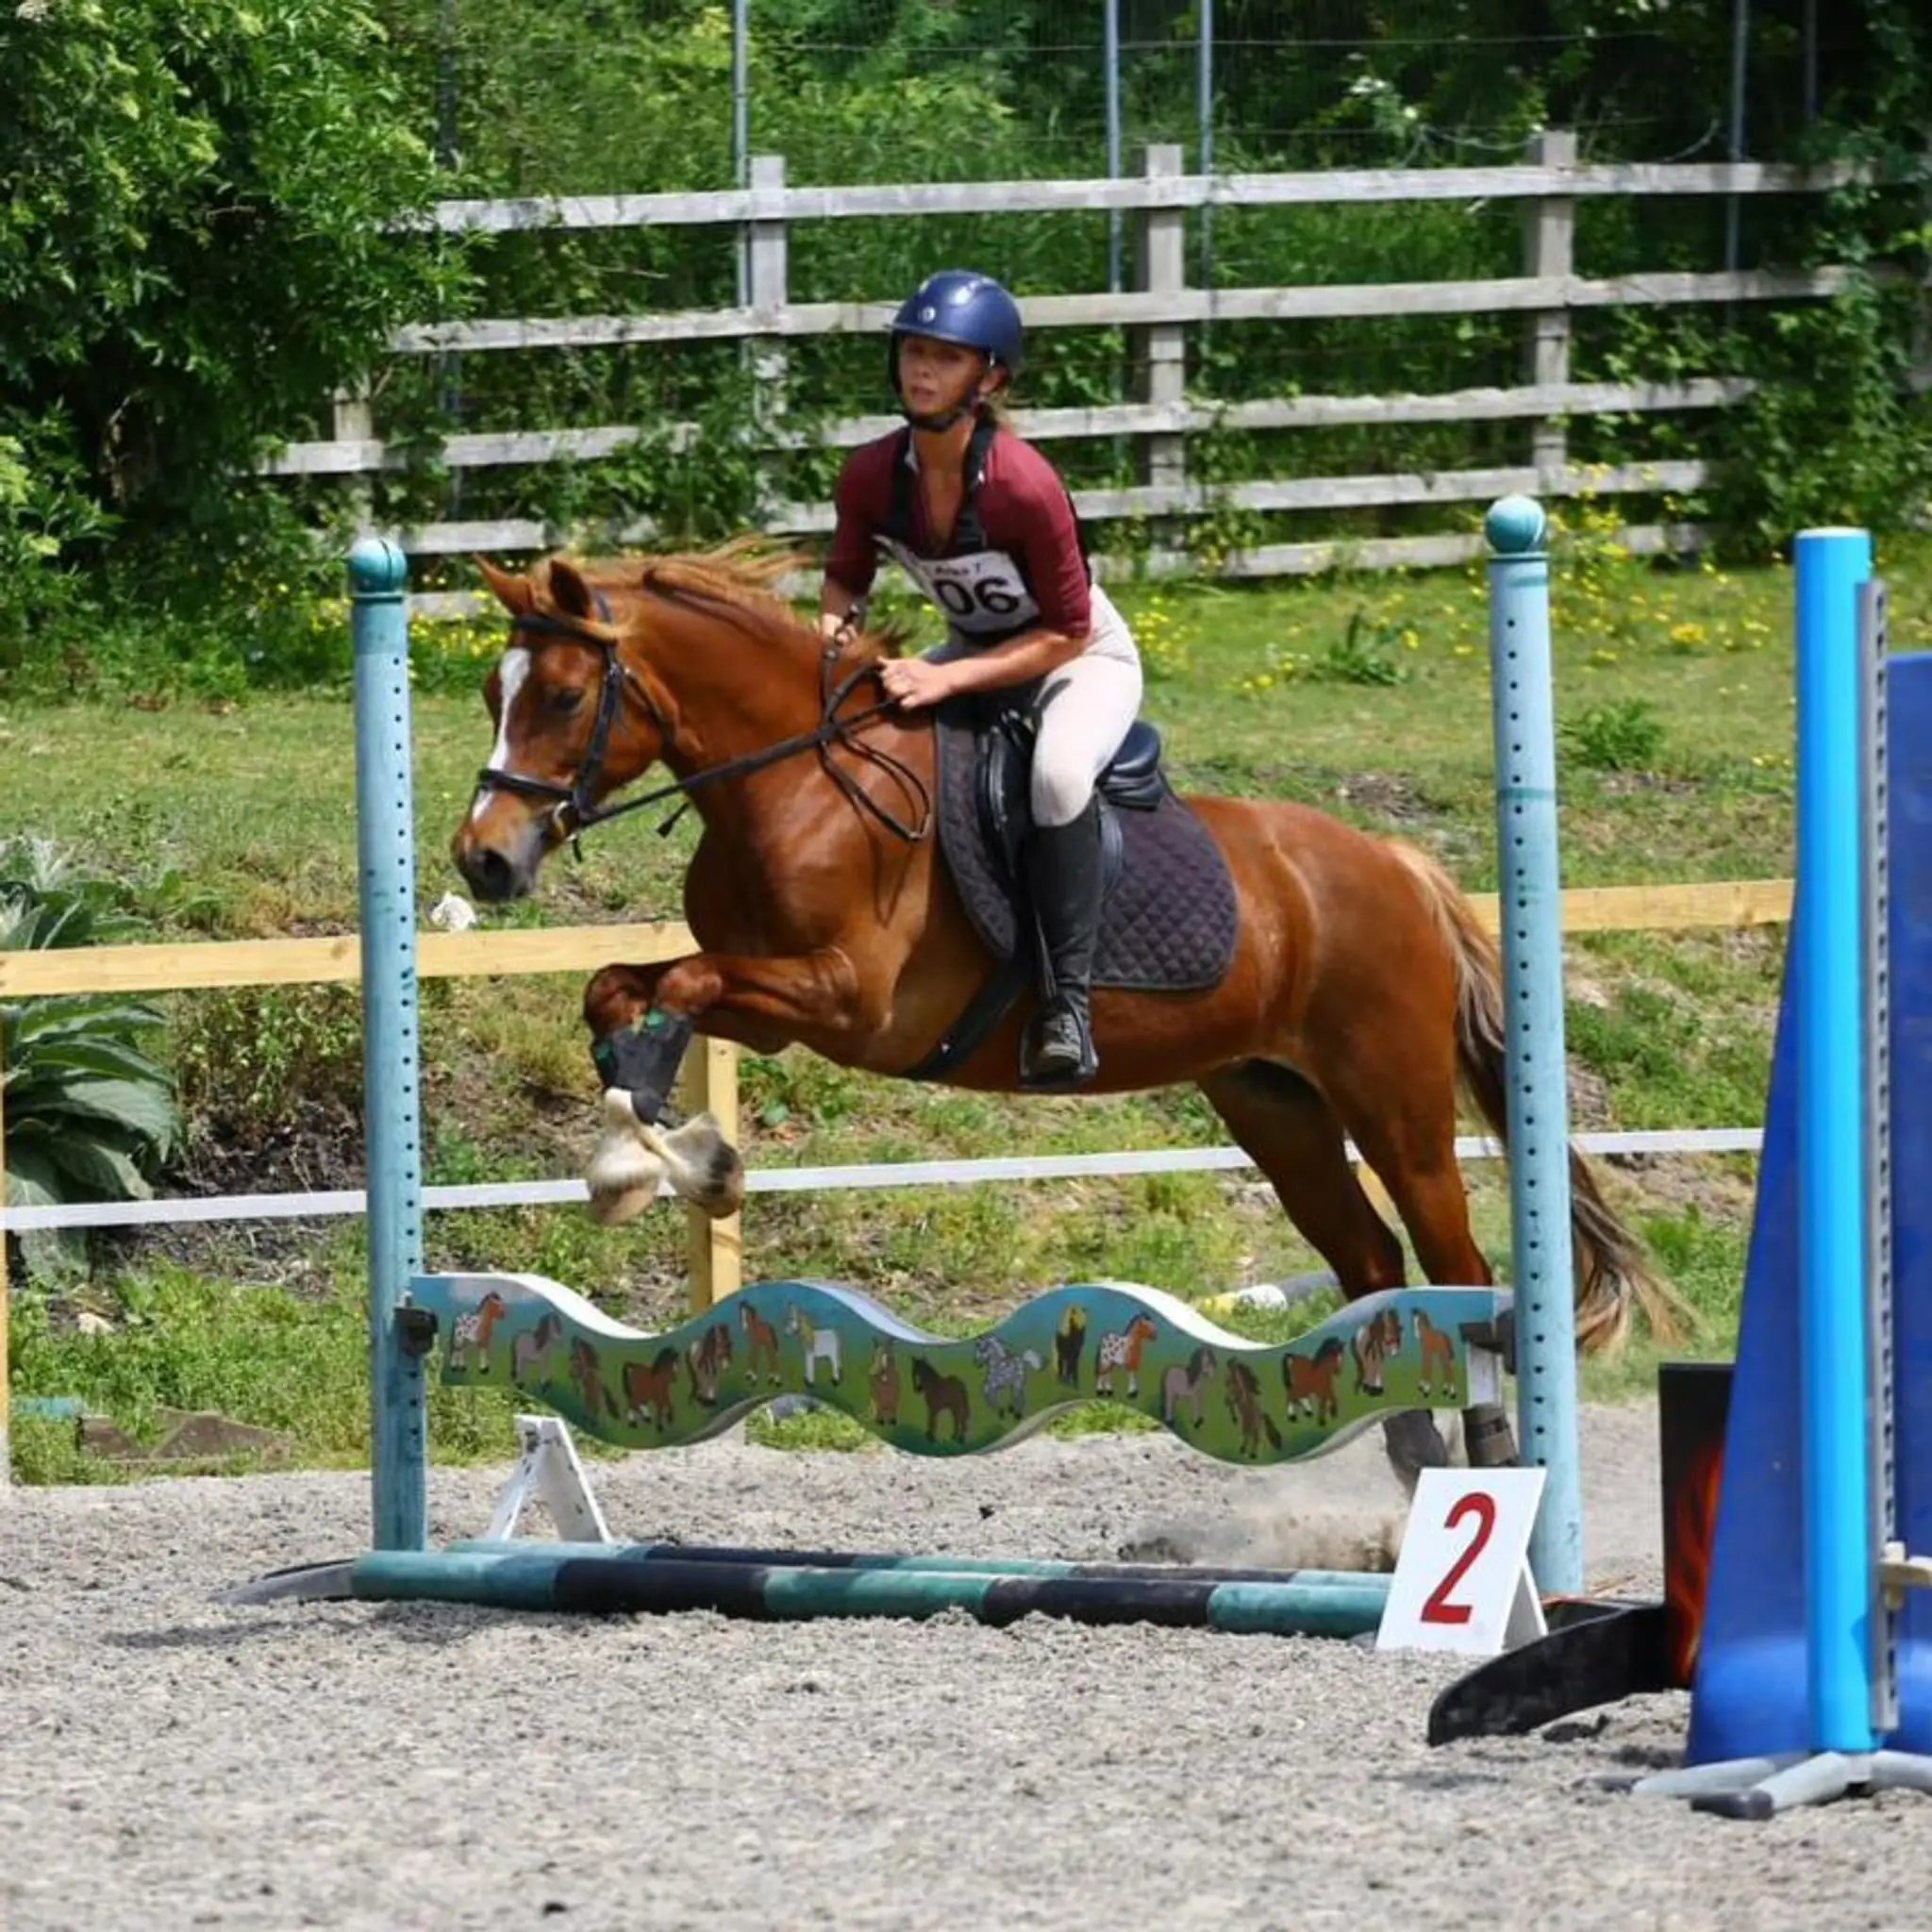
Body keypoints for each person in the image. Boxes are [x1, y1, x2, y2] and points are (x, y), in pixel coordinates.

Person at [818, 269, 1146, 1090]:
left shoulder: (1024, 486)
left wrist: (950, 679)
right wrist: (831, 633)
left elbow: (1066, 632)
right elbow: (846, 581)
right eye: (914, 352)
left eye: (946, 358)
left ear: (989, 378)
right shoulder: (868, 474)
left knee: (1060, 775)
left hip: (1081, 659)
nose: (921, 371)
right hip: (974, 645)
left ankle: (1067, 1005)